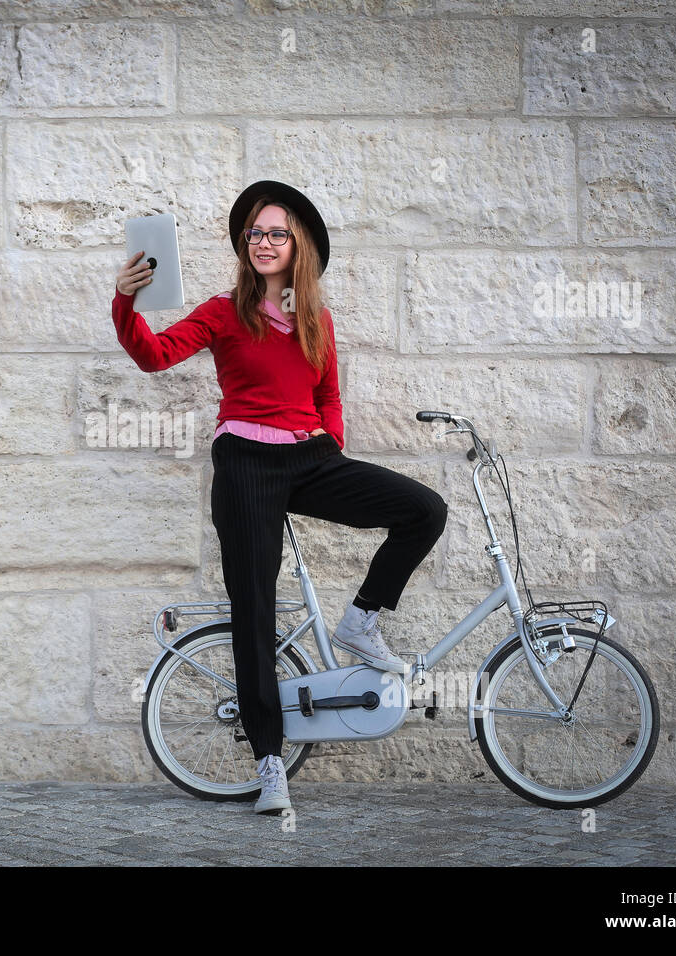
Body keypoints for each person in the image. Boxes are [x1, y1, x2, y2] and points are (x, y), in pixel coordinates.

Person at [111, 181, 448, 815]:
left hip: (310, 459)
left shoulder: (315, 319)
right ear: (245, 245)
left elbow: (329, 397)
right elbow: (154, 357)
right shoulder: (220, 312)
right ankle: (270, 764)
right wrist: (127, 303)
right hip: (245, 465)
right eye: (255, 234)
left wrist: (332, 446)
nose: (264, 242)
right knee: (255, 611)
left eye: (276, 233)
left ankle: (362, 620)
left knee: (424, 510)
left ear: (298, 248)